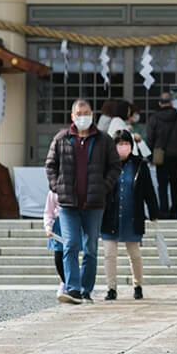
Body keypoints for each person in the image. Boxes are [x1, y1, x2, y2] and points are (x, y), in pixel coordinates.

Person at [45, 99, 120, 304]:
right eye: (79, 113)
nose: (83, 117)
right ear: (72, 116)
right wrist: (57, 187)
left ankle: (86, 289)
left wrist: (104, 187)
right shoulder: (62, 138)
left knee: (90, 248)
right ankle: (73, 288)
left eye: (86, 113)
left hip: (94, 203)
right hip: (68, 204)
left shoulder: (103, 140)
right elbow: (50, 165)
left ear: (92, 114)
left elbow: (115, 167)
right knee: (70, 245)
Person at [102, 130, 160, 300]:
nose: (123, 147)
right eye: (120, 144)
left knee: (134, 255)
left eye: (126, 144)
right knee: (109, 255)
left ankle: (138, 285)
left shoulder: (139, 165)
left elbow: (149, 191)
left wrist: (154, 212)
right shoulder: (106, 165)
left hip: (132, 215)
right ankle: (111, 288)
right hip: (110, 215)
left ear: (131, 146)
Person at [146, 91, 177, 220]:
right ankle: (174, 211)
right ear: (171, 103)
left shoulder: (154, 118)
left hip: (160, 155)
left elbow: (150, 139)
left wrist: (150, 157)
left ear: (160, 103)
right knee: (176, 185)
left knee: (162, 184)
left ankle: (164, 211)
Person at [43, 189, 65, 297]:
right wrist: (48, 226)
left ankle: (73, 282)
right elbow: (49, 211)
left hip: (73, 222)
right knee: (58, 257)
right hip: (59, 225)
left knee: (71, 256)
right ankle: (64, 281)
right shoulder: (53, 191)